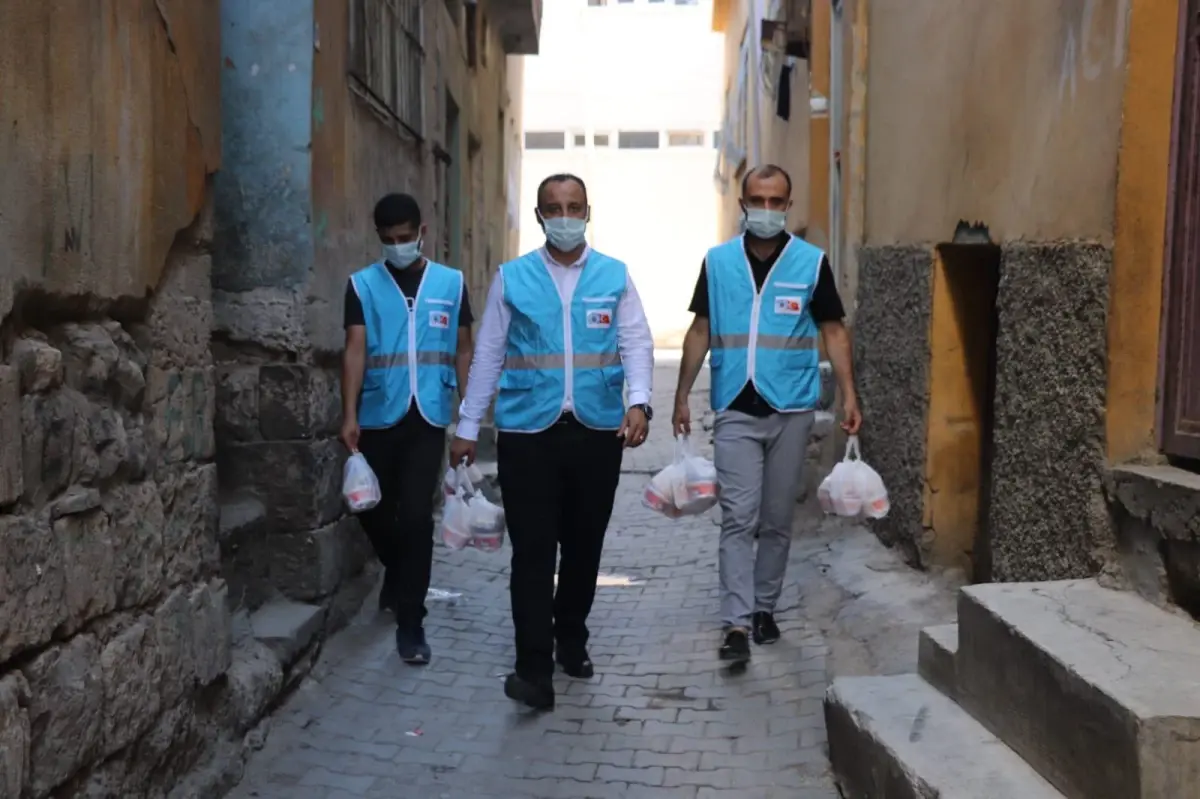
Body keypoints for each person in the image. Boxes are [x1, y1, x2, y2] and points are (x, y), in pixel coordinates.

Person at [450, 173, 654, 710]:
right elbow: (490, 353)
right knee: (533, 553)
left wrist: (640, 401)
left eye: (574, 207)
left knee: (584, 546)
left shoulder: (614, 276)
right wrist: (468, 426)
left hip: (596, 432)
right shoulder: (512, 278)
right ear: (540, 217)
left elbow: (635, 340)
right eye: (553, 208)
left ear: (589, 211)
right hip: (527, 434)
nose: (564, 217)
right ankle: (533, 670)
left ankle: (571, 637)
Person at [672, 164, 862, 664]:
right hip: (736, 403)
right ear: (743, 204)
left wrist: (849, 395)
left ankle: (764, 608)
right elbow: (700, 330)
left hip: (792, 406)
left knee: (777, 519)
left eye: (777, 201)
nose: (767, 210)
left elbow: (834, 331)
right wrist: (680, 395)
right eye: (758, 200)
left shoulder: (810, 263)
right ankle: (735, 624)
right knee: (738, 516)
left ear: (788, 205)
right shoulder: (717, 263)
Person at [340, 192, 474, 665]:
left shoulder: (451, 284)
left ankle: (411, 623)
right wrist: (349, 413)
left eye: (406, 237)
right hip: (379, 413)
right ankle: (399, 574)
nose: (399, 246)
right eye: (390, 239)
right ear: (379, 237)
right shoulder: (362, 285)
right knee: (372, 509)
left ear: (423, 232)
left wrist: (471, 416)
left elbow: (462, 350)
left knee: (417, 518)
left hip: (429, 417)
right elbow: (355, 349)